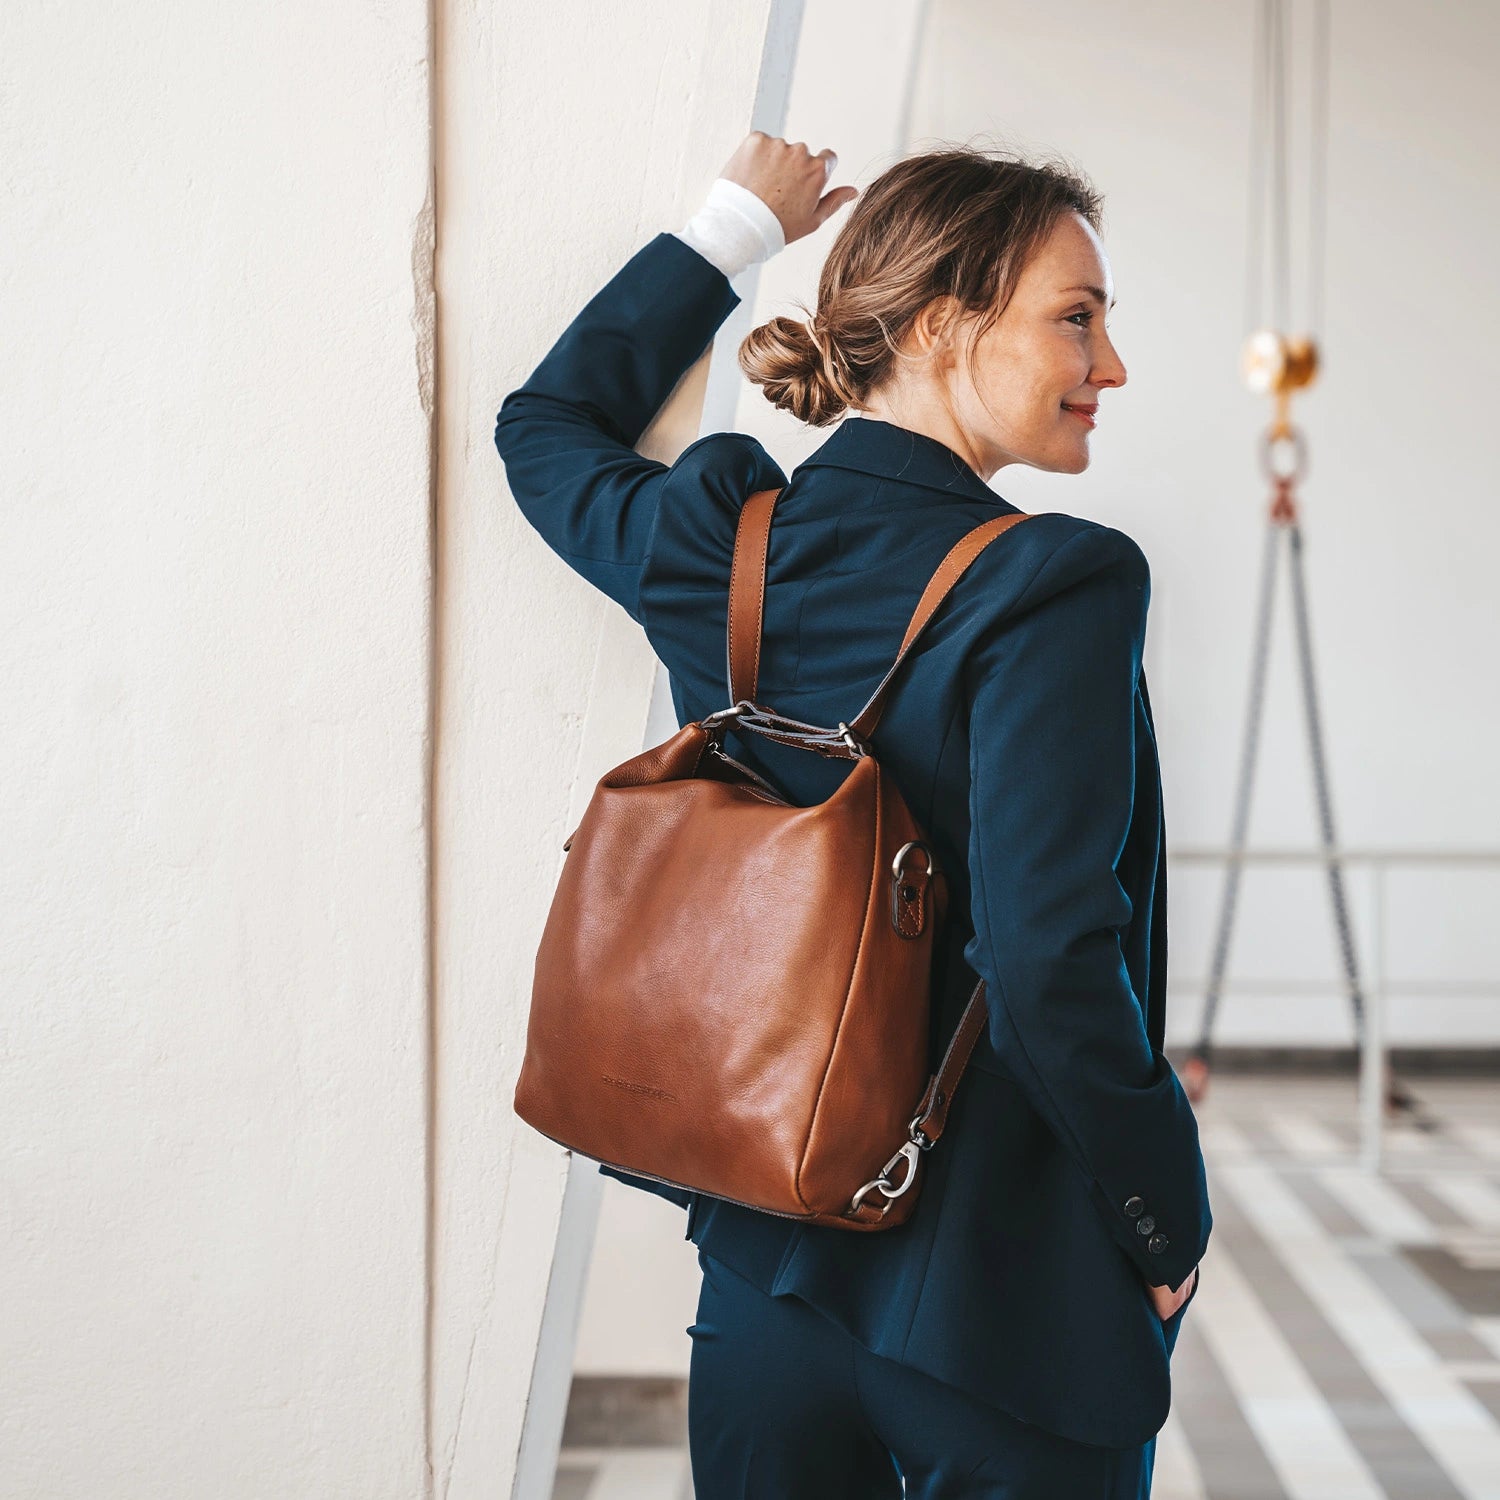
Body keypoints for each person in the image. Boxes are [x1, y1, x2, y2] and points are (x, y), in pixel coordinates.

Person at [495, 131, 1210, 1500]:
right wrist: (1165, 1216)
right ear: (944, 326)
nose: (1108, 366)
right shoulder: (1057, 582)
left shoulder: (726, 539)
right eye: (1078, 317)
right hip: (1011, 1316)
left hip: (767, 1279)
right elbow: (1051, 956)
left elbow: (545, 430)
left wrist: (728, 229)